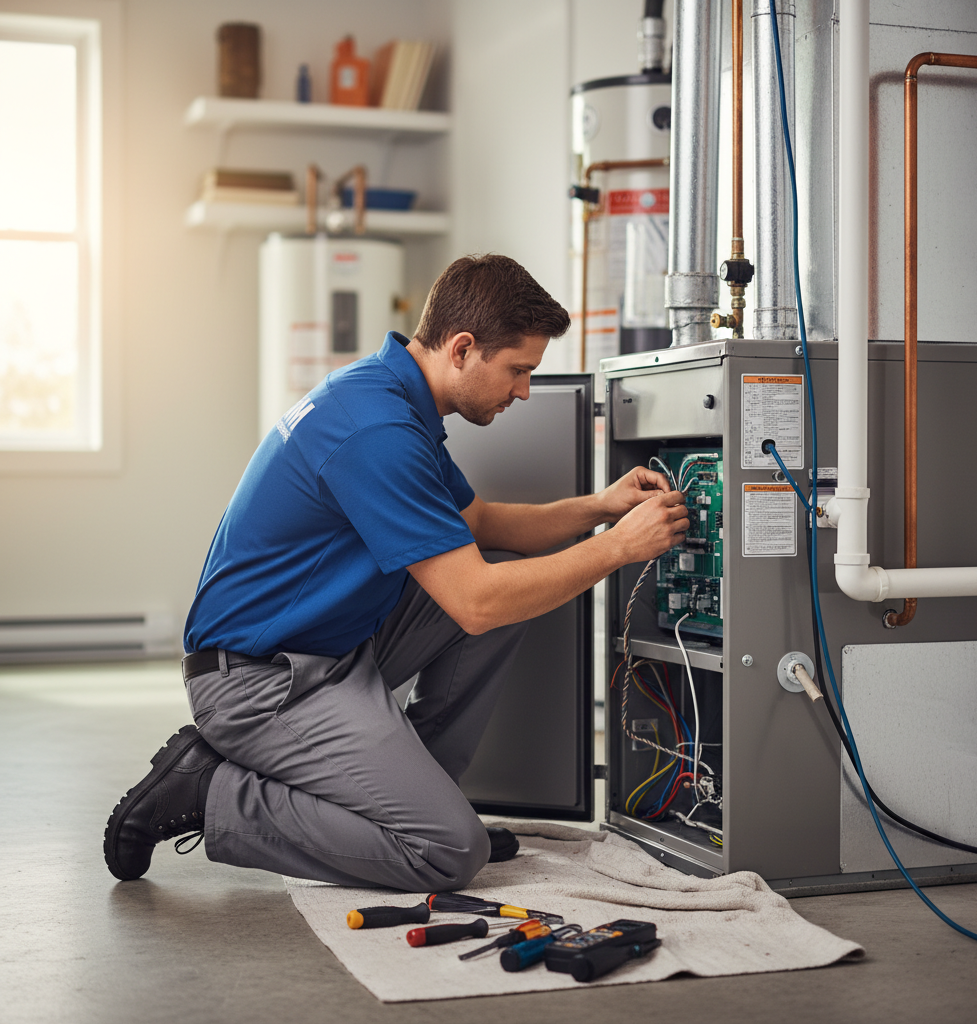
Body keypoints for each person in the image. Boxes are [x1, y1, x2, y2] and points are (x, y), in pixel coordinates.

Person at [103, 254, 689, 890]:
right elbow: (475, 603)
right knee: (447, 854)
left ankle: (417, 800)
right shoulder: (375, 429)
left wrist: (602, 507)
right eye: (518, 370)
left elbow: (484, 524)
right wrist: (616, 549)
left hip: (330, 647)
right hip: (259, 682)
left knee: (508, 575)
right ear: (463, 348)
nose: (523, 390)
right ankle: (207, 789)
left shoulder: (395, 400)